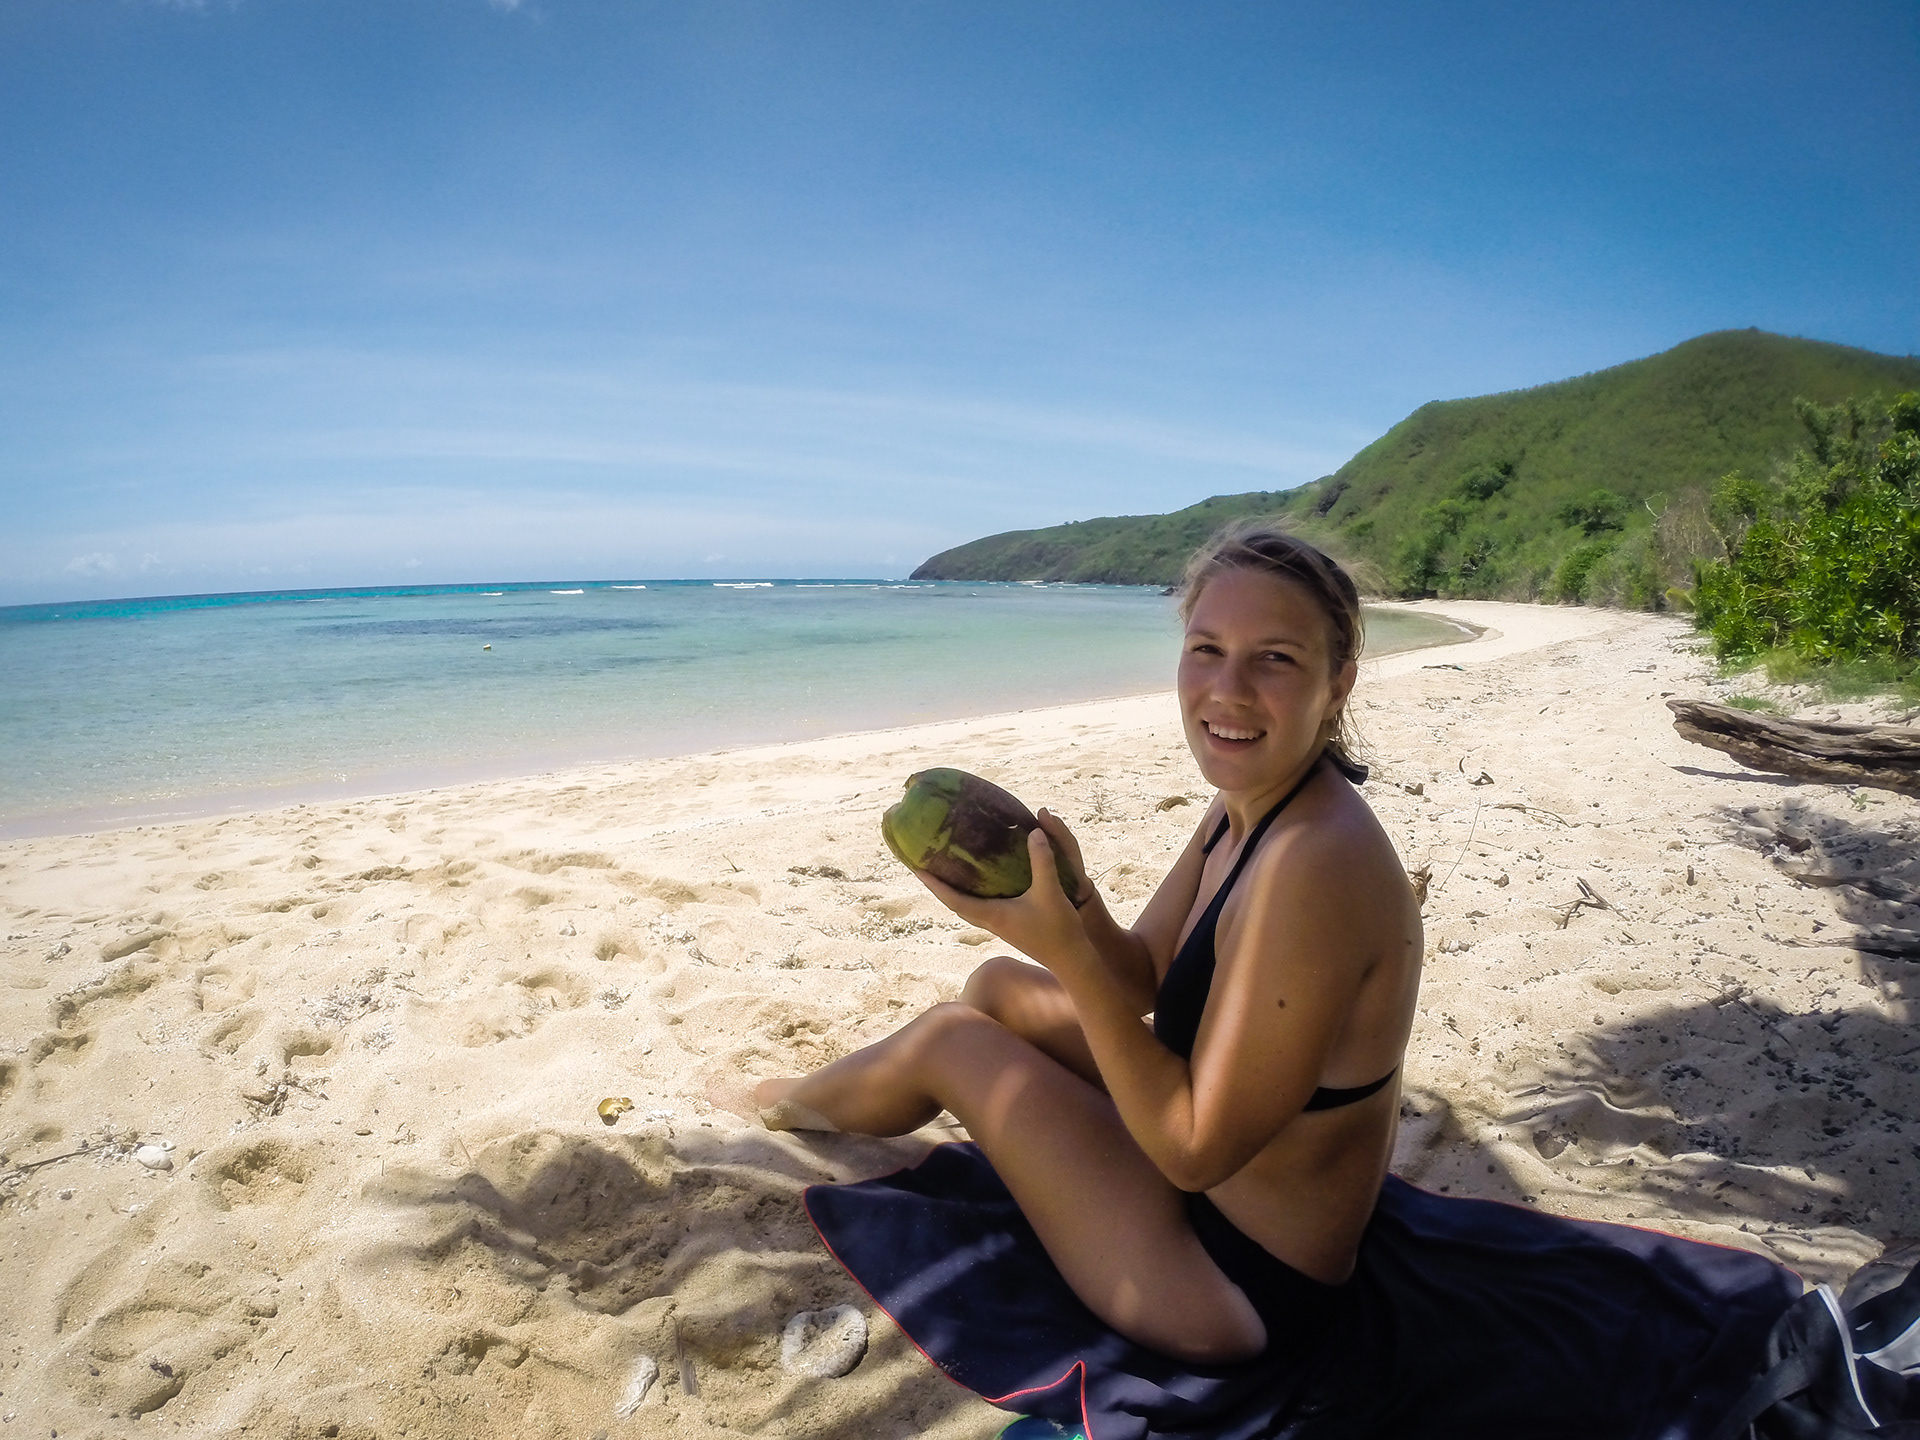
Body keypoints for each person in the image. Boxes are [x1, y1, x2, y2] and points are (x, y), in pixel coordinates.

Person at [754, 522, 1422, 1366]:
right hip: (1218, 1197)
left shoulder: (1315, 866)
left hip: (1239, 1281)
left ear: (1339, 683)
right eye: (1207, 648)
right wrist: (1069, 905)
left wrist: (1067, 956)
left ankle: (783, 1109)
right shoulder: (1251, 803)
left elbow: (1191, 1149)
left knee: (954, 1039)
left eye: (1277, 659)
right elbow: (1140, 973)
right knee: (996, 983)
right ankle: (813, 1098)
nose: (1230, 689)